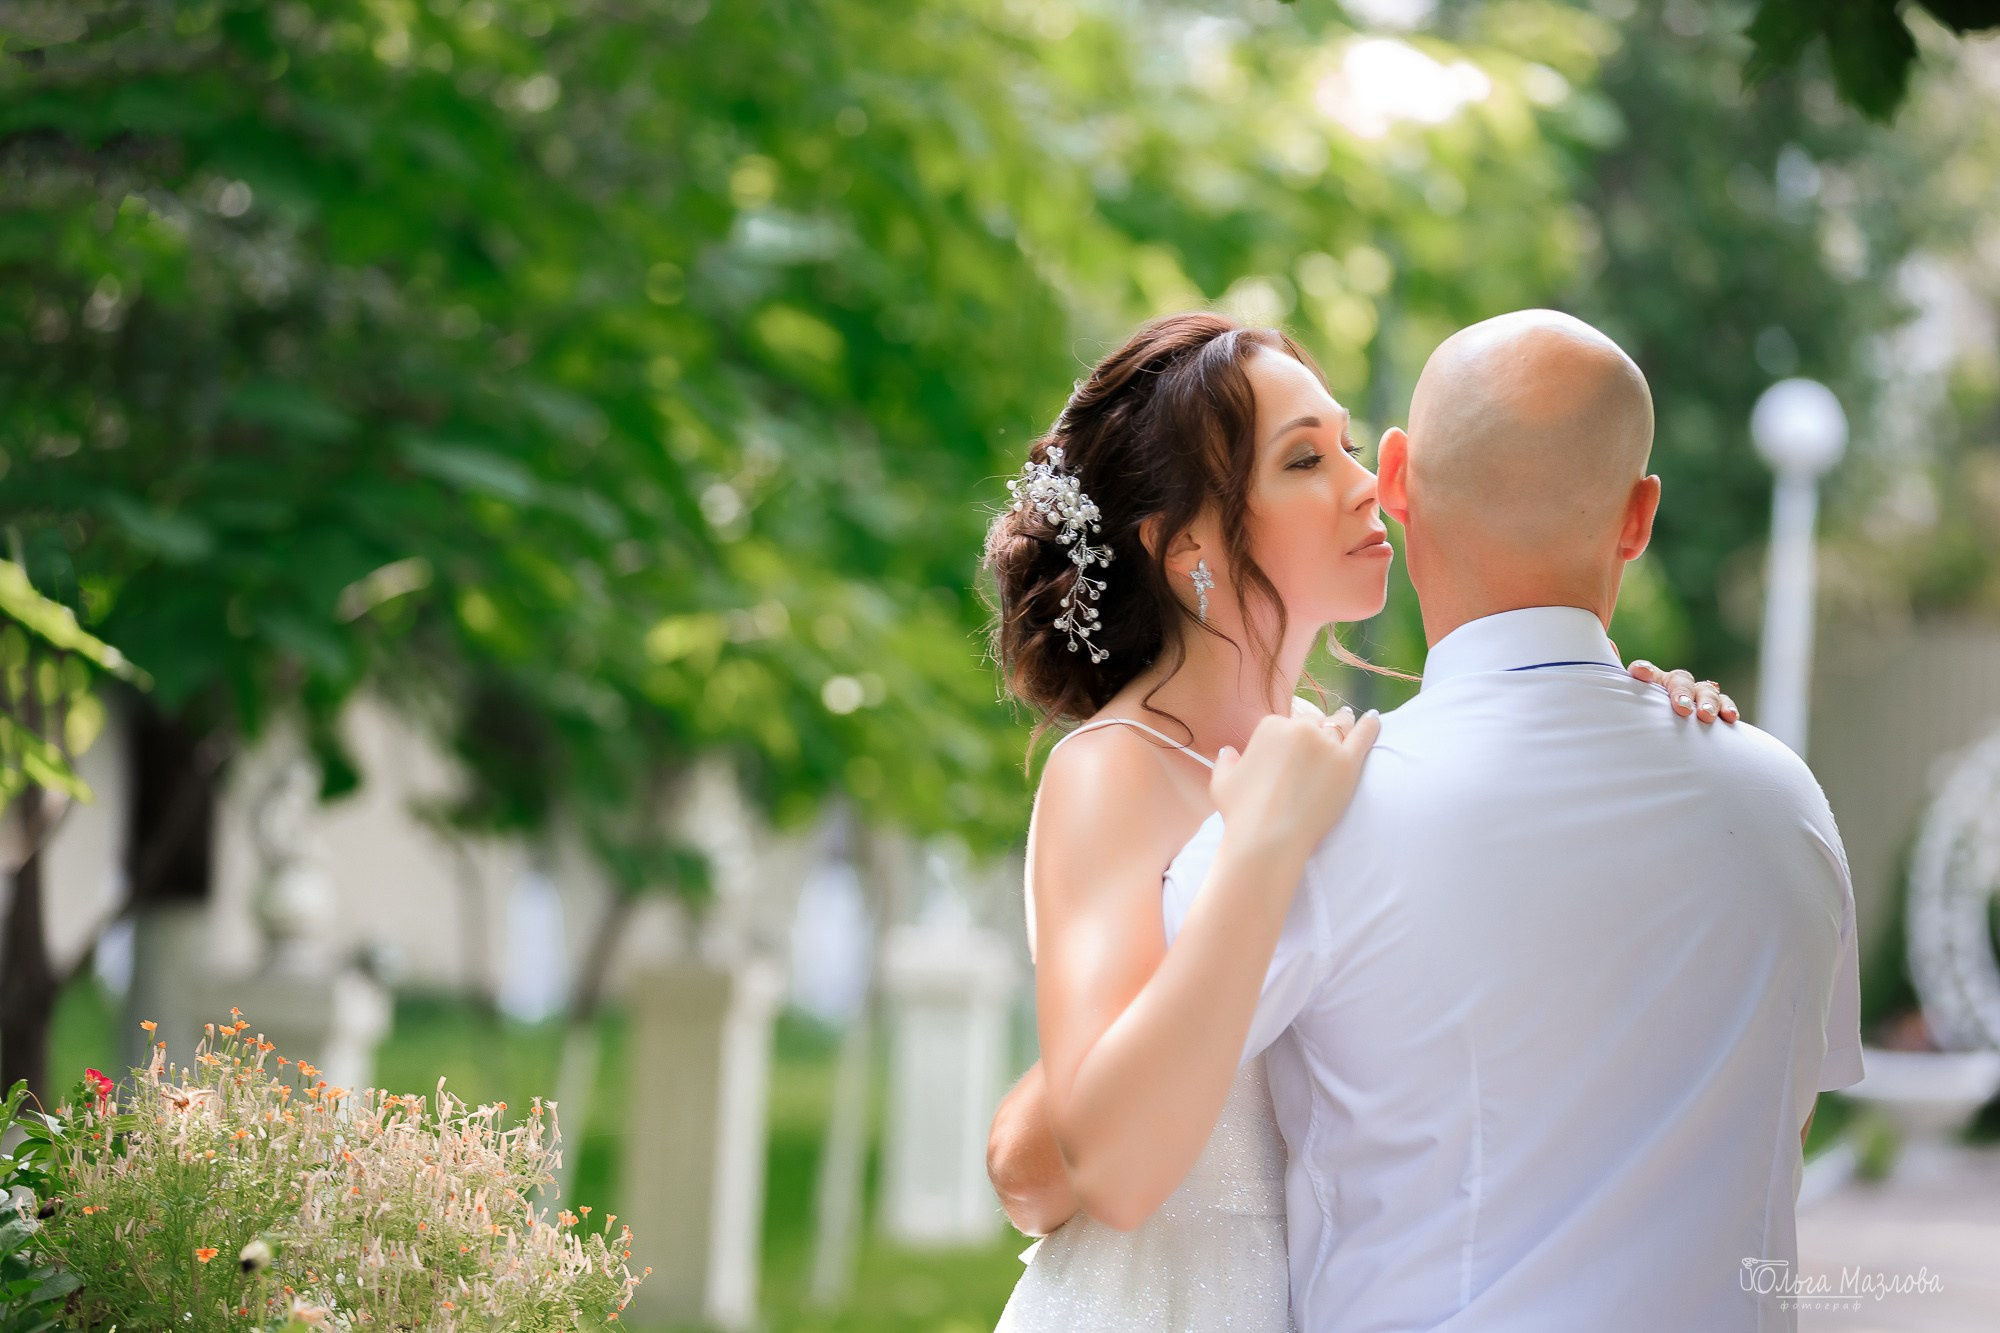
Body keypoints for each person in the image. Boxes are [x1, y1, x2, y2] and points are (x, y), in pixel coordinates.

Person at [981, 311, 1744, 1332]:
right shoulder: (1112, 770)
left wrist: (1621, 717)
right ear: (1187, 547)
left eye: (1346, 443)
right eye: (1303, 459)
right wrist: (1259, 846)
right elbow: (1085, 1163)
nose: (1364, 481)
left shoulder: (1344, 755)